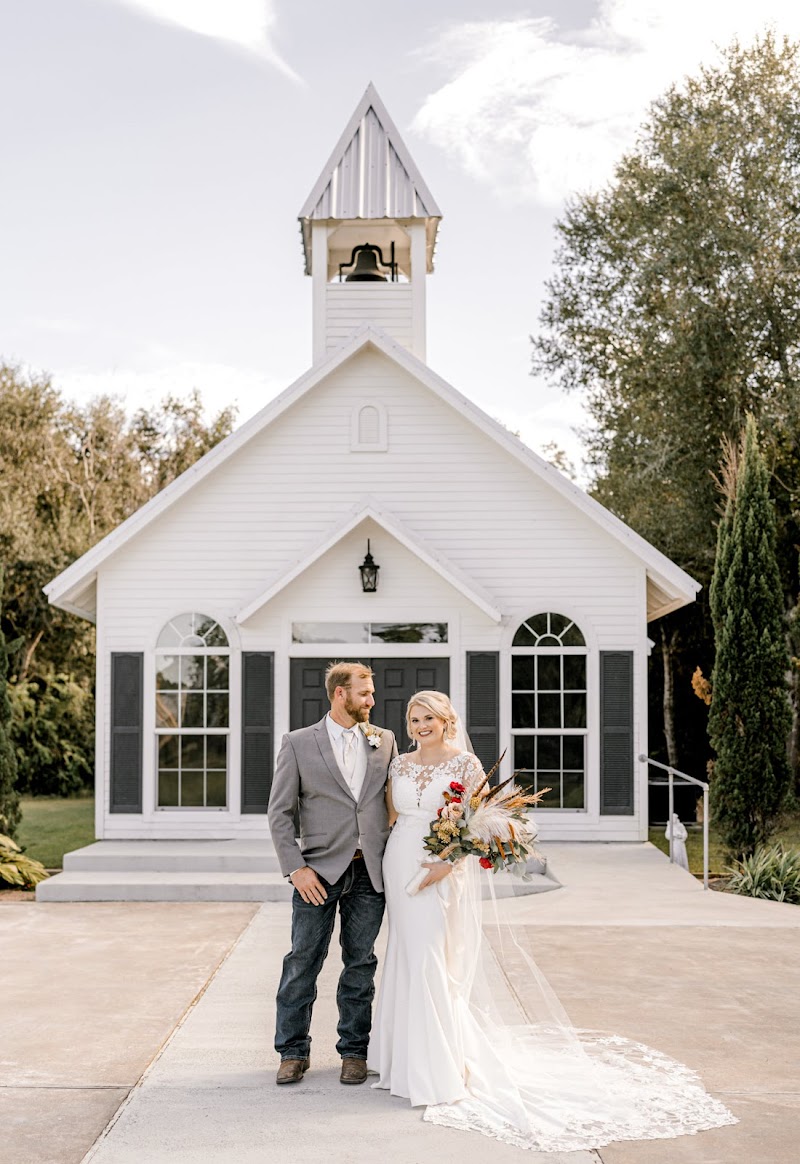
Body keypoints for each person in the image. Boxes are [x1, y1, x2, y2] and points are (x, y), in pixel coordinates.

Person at [368, 690, 737, 1152]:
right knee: (405, 953)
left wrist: (449, 861)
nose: (421, 725)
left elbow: (488, 823)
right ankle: (401, 1059)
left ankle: (436, 1069)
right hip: (401, 858)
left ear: (447, 721)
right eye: (415, 718)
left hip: (442, 868)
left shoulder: (465, 766)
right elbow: (390, 816)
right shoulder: (399, 765)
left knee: (430, 957)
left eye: (430, 718)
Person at [268, 661, 396, 1086]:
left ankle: (354, 1052)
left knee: (360, 965)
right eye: (365, 693)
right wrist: (295, 869)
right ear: (340, 694)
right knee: (303, 962)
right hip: (317, 873)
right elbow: (280, 814)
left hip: (369, 874)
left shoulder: (385, 741)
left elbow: (391, 805)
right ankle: (292, 1051)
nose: (372, 701)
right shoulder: (299, 742)